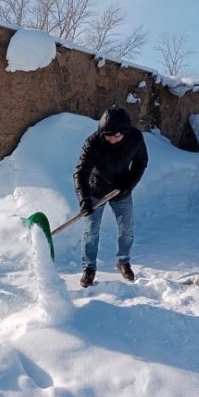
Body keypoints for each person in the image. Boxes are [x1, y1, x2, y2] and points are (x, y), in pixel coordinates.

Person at [73, 106, 148, 287]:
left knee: (126, 228)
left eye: (117, 135)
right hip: (96, 191)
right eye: (108, 135)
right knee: (91, 230)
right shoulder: (92, 143)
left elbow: (141, 162)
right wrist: (84, 199)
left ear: (125, 132)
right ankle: (89, 268)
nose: (112, 139)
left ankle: (123, 261)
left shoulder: (135, 139)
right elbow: (80, 172)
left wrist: (128, 184)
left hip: (121, 190)